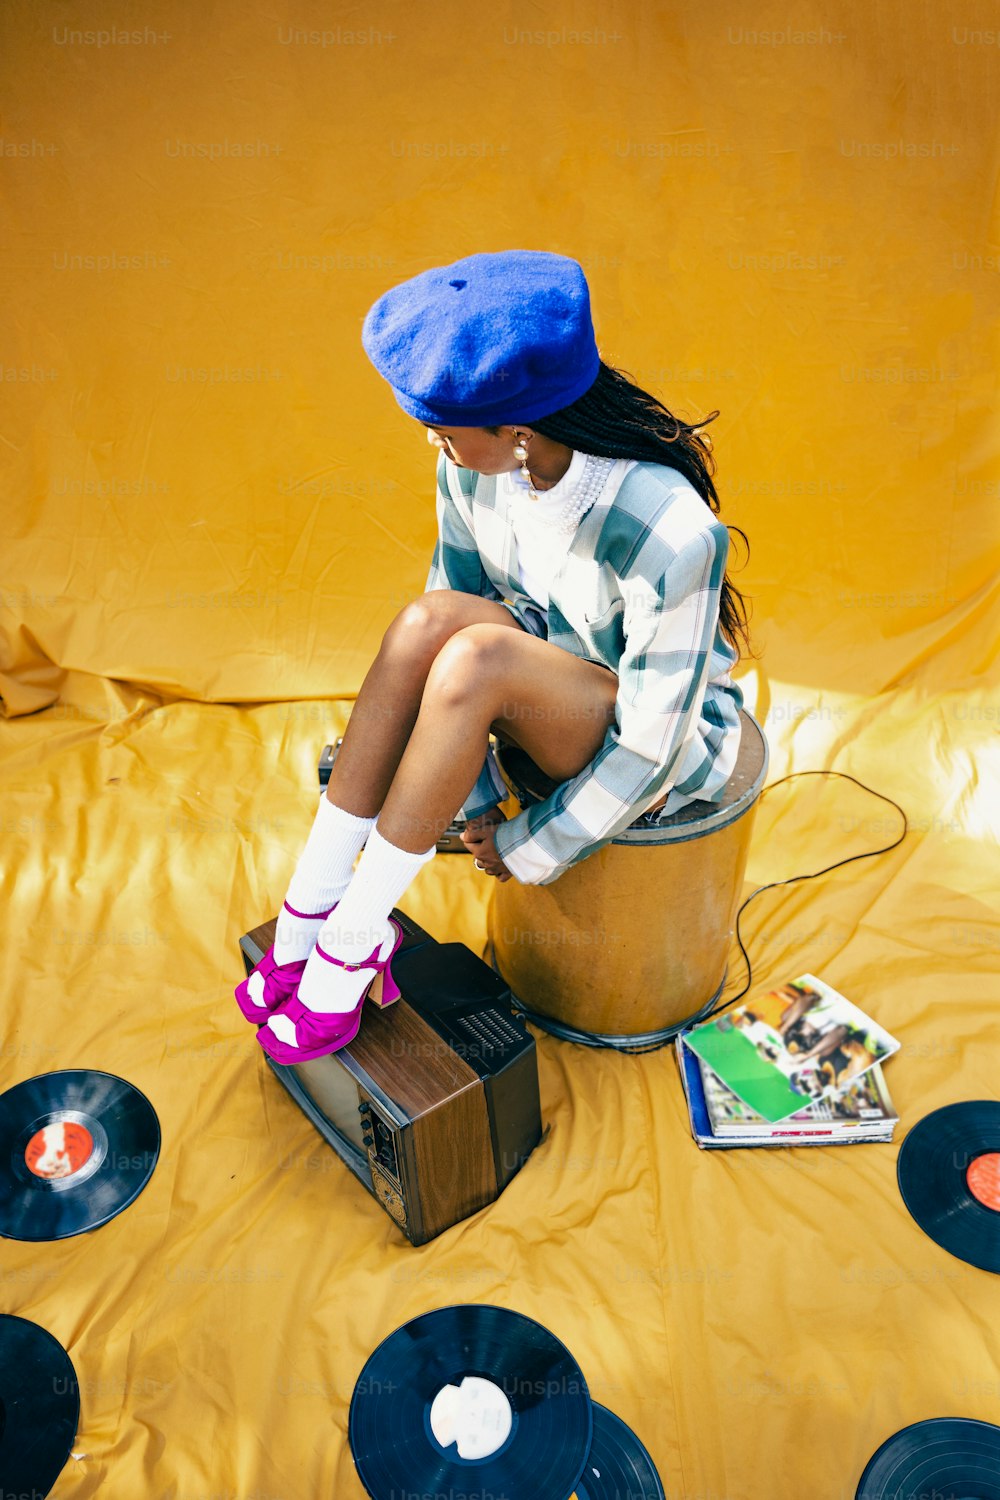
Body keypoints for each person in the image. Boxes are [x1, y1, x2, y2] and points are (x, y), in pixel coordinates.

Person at [234, 249, 752, 1063]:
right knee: (421, 623)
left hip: (656, 735)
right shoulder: (479, 474)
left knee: (476, 657)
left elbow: (653, 742)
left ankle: (353, 945)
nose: (435, 448)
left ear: (518, 433)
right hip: (524, 680)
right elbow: (450, 609)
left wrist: (525, 844)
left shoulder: (671, 529)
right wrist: (476, 801)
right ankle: (311, 915)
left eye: (443, 435)